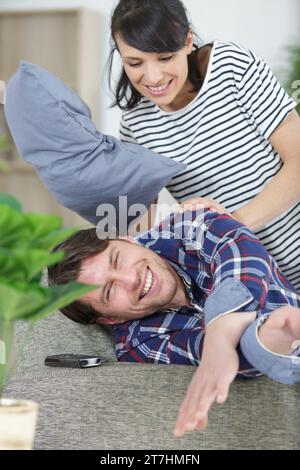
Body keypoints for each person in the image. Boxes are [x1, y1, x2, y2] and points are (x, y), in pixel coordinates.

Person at [47, 207, 300, 437]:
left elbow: (235, 243)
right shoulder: (139, 345)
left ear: (127, 239)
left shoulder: (184, 227)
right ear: (109, 317)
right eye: (110, 291)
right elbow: (217, 360)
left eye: (117, 260)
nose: (130, 279)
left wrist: (221, 329)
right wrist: (269, 338)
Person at [108, 0, 300, 293]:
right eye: (134, 63)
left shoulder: (230, 66)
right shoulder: (135, 126)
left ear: (187, 42)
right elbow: (144, 230)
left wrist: (232, 225)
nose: (153, 77)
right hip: (258, 285)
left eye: (165, 57)